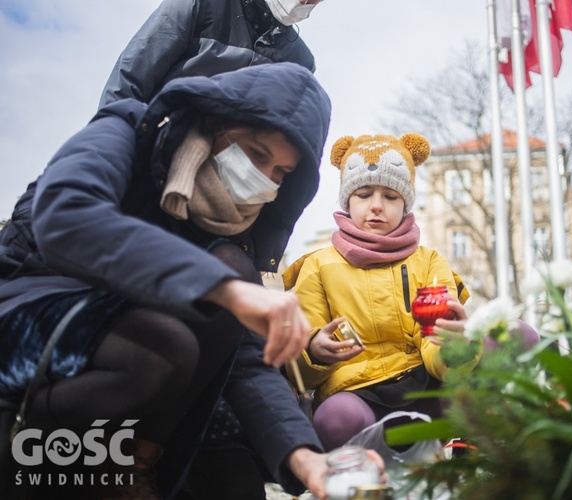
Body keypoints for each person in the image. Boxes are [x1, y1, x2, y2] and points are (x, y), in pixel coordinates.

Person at [0, 62, 334, 499]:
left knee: (228, 269)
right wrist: (226, 290)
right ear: (216, 121)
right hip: (31, 306)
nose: (264, 180)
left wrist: (303, 455)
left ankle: (137, 462)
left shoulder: (232, 230)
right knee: (162, 347)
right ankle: (25, 450)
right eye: (255, 153)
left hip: (130, 336)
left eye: (281, 173)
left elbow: (248, 361)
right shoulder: (126, 131)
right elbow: (66, 215)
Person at [282, 133, 480, 451]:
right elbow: (298, 374)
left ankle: (472, 453)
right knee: (335, 419)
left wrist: (454, 345)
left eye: (390, 196)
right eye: (363, 194)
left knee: (515, 337)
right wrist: (314, 352)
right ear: (348, 200)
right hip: (353, 394)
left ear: (405, 203)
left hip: (424, 386)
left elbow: (437, 353)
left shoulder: (429, 261)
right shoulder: (318, 266)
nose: (376, 206)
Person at [99, 0, 324, 109]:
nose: (304, 1)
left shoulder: (301, 64)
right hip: (146, 161)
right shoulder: (203, 3)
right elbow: (127, 82)